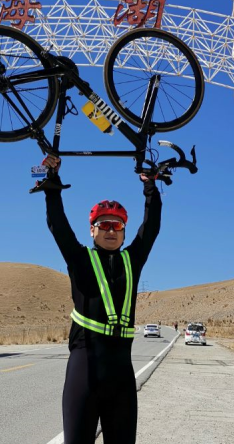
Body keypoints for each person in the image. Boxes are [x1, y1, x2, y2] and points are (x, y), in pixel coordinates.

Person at [42, 155, 161, 444]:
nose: (110, 230)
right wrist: (52, 181)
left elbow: (151, 227)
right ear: (92, 230)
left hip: (121, 373)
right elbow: (58, 225)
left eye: (117, 226)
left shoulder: (132, 260)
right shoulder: (80, 258)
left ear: (124, 233)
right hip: (84, 368)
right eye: (104, 224)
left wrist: (150, 187)